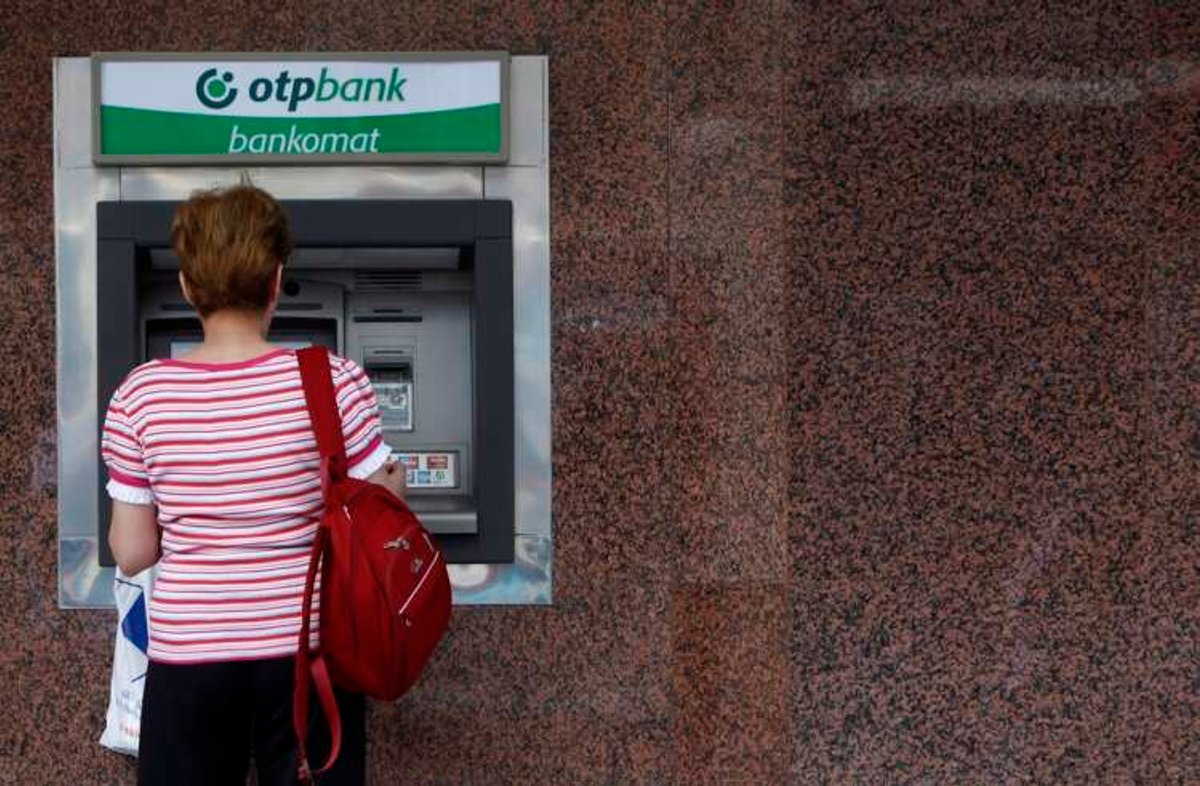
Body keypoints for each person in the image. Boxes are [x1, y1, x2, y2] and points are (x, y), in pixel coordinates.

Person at [101, 184, 405, 785]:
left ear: (188, 287)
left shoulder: (140, 394)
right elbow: (384, 521)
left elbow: (133, 552)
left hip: (190, 656)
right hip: (308, 653)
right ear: (276, 280)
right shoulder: (335, 380)